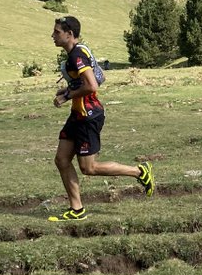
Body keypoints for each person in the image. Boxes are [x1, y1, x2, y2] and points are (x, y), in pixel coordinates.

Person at [48, 16, 154, 221]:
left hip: (88, 116)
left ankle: (139, 172)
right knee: (61, 160)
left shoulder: (76, 56)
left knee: (89, 168)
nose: (53, 35)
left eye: (57, 32)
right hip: (78, 114)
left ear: (69, 34)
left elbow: (92, 86)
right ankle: (77, 210)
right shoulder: (82, 50)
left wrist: (67, 96)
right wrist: (69, 89)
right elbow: (99, 77)